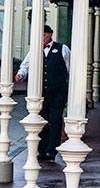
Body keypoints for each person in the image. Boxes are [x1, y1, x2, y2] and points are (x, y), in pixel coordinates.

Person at [17, 26, 71, 161]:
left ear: (50, 35)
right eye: (40, 35)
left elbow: (71, 68)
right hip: (42, 92)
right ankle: (42, 149)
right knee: (42, 119)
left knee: (55, 119)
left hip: (58, 91)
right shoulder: (34, 51)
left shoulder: (62, 49)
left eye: (44, 35)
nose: (42, 38)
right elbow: (25, 66)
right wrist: (20, 75)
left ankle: (51, 150)